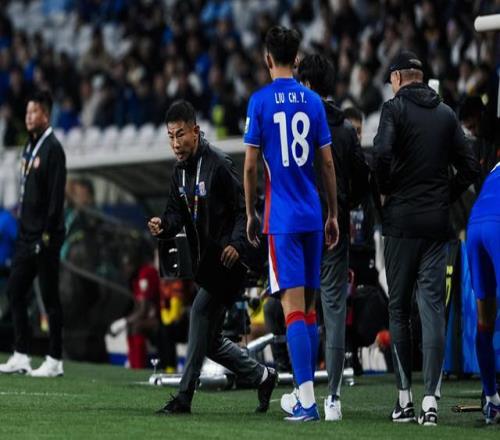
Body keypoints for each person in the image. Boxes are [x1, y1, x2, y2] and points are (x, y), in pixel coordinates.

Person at [148, 99, 276, 415]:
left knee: (198, 312)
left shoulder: (218, 164)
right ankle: (262, 376)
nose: (175, 143)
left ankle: (183, 397)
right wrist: (163, 225)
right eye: (170, 136)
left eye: (180, 135)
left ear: (196, 131)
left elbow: (244, 209)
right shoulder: (178, 173)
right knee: (211, 341)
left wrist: (237, 244)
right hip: (207, 264)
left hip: (230, 260)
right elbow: (175, 214)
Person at [373, 50, 480, 426]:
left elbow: (381, 155)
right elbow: (470, 166)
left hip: (401, 224)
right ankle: (431, 401)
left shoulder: (394, 110)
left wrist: (386, 190)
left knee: (399, 309)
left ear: (398, 78)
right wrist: (444, 196)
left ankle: (404, 399)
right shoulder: (447, 113)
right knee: (433, 310)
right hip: (437, 226)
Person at [243, 26, 339, 422]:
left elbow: (251, 166)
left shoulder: (260, 102)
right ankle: (304, 394)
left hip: (281, 219)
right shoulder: (314, 102)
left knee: (292, 309)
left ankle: (307, 401)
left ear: (268, 58)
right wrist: (333, 213)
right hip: (312, 215)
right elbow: (327, 163)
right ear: (296, 59)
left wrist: (251, 212)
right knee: (310, 310)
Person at [280, 53, 368, 421]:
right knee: (333, 310)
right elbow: (362, 179)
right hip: (334, 228)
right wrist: (342, 207)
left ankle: (304, 392)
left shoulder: (294, 123)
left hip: (298, 227)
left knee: (299, 310)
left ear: (306, 84)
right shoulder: (345, 130)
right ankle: (332, 398)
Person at [0, 90, 67, 377]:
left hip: (44, 236)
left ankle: (55, 359)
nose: (29, 117)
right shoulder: (29, 147)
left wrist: (47, 234)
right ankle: (21, 354)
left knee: (49, 297)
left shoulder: (53, 149)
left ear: (46, 115)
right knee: (15, 290)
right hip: (26, 236)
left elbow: (55, 197)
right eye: (27, 112)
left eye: (34, 112)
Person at [466, 161, 500, 424]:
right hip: (497, 225)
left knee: (484, 321)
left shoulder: (495, 168)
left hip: (475, 224)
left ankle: (491, 401)